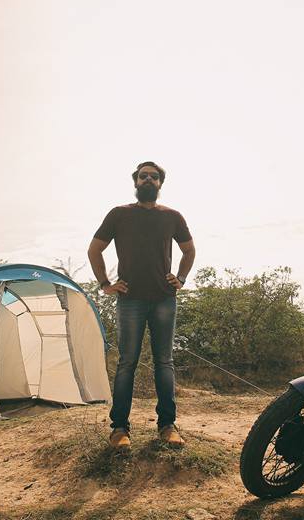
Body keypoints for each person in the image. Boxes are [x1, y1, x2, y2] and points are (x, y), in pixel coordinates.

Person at [87, 161, 196, 449]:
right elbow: (95, 249)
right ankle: (120, 429)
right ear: (135, 181)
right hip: (130, 300)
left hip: (164, 298)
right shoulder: (119, 214)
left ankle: (167, 425)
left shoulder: (172, 216)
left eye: (154, 177)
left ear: (160, 183)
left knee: (164, 362)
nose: (148, 179)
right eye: (143, 176)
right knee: (127, 363)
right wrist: (105, 284)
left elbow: (189, 249)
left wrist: (181, 278)